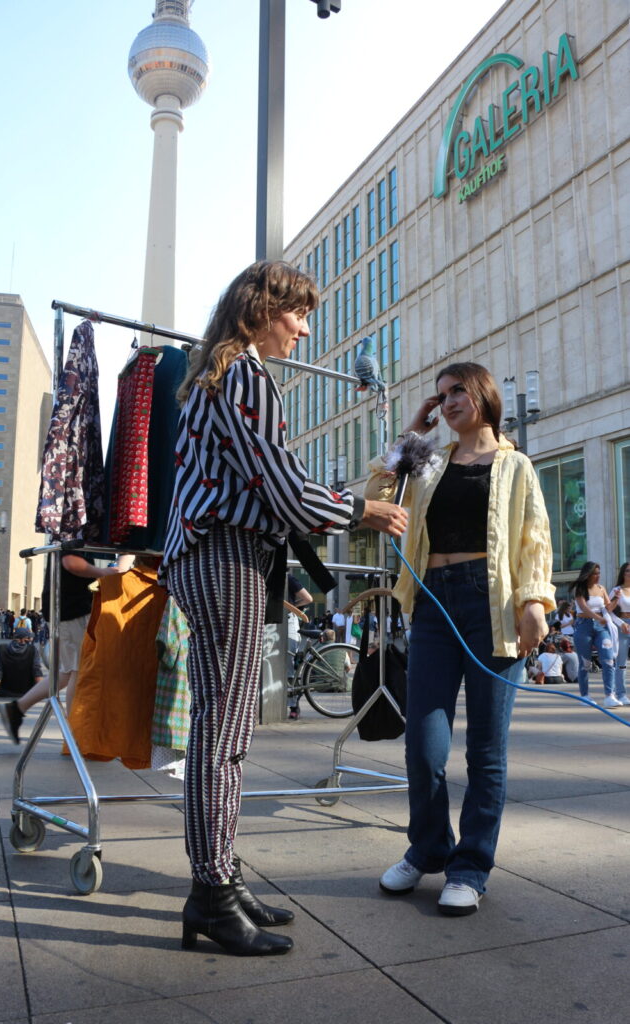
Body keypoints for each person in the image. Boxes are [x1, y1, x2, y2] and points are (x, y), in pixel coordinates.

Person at [160, 260, 407, 956]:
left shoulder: (218, 373)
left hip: (217, 554)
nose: (303, 329)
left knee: (224, 724)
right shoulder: (243, 374)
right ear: (262, 309)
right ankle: (212, 891)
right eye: (297, 313)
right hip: (226, 556)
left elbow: (265, 482)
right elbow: (284, 489)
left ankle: (220, 878)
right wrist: (361, 509)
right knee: (224, 730)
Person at [366, 361, 554, 916]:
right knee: (423, 745)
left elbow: (534, 538)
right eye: (441, 395)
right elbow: (377, 494)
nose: (447, 402)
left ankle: (470, 866)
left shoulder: (515, 465)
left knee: (486, 749)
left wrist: (534, 603)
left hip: (491, 604)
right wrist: (412, 433)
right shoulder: (429, 462)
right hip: (432, 603)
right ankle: (427, 849)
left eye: (457, 392)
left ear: (483, 395)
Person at [0, 554, 120, 744]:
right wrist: (103, 572)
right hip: (72, 609)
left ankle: (17, 709)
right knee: (78, 671)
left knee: (66, 672)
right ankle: (74, 737)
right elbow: (70, 562)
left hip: (63, 608)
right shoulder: (73, 536)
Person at [572, 562, 620, 708]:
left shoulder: (601, 588)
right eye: (595, 573)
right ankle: (585, 696)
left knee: (608, 659)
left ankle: (609, 696)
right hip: (583, 625)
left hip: (601, 627)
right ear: (588, 574)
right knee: (585, 663)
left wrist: (616, 599)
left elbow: (608, 607)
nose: (598, 576)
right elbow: (584, 608)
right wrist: (598, 617)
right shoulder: (580, 589)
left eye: (599, 573)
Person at [0, 627, 44, 699]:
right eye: (28, 638)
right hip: (26, 690)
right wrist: (40, 693)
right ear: (24, 639)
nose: (30, 639)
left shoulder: (2, 649)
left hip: (5, 689)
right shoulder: (32, 650)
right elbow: (37, 671)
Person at [286, 573, 313, 721]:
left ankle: (293, 705)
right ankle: (293, 706)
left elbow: (309, 598)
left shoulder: (287, 578)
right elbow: (307, 598)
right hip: (286, 619)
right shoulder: (288, 578)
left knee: (289, 665)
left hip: (284, 620)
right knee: (289, 665)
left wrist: (291, 606)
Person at [607, 562, 630, 706]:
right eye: (627, 570)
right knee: (622, 663)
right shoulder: (616, 590)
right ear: (623, 573)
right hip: (622, 626)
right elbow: (607, 610)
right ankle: (621, 694)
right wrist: (621, 623)